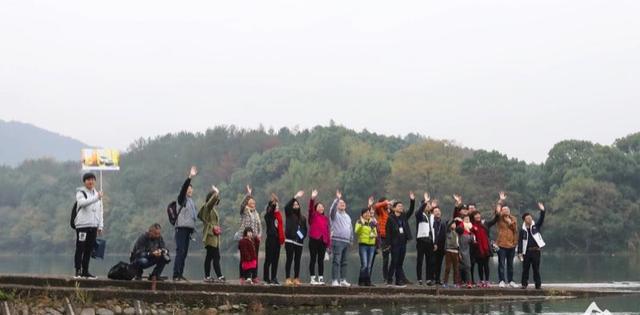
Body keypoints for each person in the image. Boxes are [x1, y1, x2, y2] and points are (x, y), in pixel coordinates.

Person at [73, 172, 104, 279]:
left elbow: (100, 210)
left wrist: (100, 225)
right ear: (84, 182)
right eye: (88, 180)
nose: (90, 181)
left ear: (95, 181)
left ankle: (85, 271)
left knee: (89, 249)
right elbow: (82, 203)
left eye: (92, 179)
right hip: (82, 225)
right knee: (80, 248)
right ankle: (78, 270)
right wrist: (96, 197)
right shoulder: (80, 193)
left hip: (93, 225)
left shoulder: (97, 194)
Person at [487, 191, 519, 288]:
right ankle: (501, 280)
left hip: (512, 245)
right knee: (501, 264)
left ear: (509, 211)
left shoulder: (513, 218)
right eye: (503, 209)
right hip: (501, 244)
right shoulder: (500, 218)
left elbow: (515, 230)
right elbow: (497, 211)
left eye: (507, 210)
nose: (505, 211)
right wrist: (501, 200)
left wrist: (510, 222)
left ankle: (511, 281)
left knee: (510, 264)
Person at [172, 166, 198, 282]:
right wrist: (190, 177)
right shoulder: (181, 199)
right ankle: (175, 274)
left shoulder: (191, 202)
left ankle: (180, 273)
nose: (190, 190)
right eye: (188, 189)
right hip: (181, 229)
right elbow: (183, 188)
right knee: (180, 251)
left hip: (188, 230)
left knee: (185, 253)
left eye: (191, 189)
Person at [385, 192, 415, 287]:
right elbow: (388, 232)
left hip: (403, 243)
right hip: (394, 243)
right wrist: (388, 244)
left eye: (402, 206)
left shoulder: (404, 216)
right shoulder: (390, 218)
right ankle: (389, 280)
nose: (401, 207)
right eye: (399, 206)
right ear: (394, 208)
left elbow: (411, 210)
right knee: (394, 261)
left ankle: (398, 281)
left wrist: (412, 200)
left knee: (400, 262)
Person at [197, 185, 225, 283]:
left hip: (214, 235)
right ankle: (219, 275)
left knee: (209, 256)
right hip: (210, 235)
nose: (217, 200)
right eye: (215, 198)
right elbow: (211, 203)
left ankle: (207, 276)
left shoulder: (212, 209)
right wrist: (216, 192)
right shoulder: (207, 207)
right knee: (216, 256)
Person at [236, 185, 262, 283]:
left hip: (254, 238)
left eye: (254, 203)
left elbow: (260, 225)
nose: (253, 204)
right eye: (251, 203)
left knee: (254, 257)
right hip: (244, 238)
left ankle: (254, 276)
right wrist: (248, 194)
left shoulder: (256, 213)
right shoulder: (244, 212)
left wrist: (259, 234)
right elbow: (242, 205)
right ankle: (242, 276)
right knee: (244, 257)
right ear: (248, 203)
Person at [518, 202, 546, 290]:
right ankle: (524, 284)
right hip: (526, 251)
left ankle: (538, 285)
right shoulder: (522, 230)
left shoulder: (535, 226)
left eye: (530, 218)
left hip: (536, 251)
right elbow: (520, 241)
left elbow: (541, 219)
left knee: (536, 269)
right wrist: (519, 252)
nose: (529, 219)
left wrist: (542, 210)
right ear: (524, 220)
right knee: (525, 269)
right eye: (527, 218)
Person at [330, 190, 353, 287]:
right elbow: (331, 210)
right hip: (337, 240)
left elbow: (350, 228)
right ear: (337, 205)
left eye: (344, 203)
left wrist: (351, 239)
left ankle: (343, 279)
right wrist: (337, 199)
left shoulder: (348, 216)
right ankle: (335, 280)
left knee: (345, 262)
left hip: (346, 241)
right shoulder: (335, 215)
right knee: (336, 261)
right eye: (340, 203)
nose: (342, 204)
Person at [284, 190, 307, 286]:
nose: (296, 206)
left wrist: (301, 237)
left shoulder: (303, 218)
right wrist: (295, 197)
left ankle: (296, 278)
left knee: (297, 260)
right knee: (289, 259)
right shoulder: (289, 214)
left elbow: (305, 230)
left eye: (297, 205)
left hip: (299, 242)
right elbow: (286, 207)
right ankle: (288, 278)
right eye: (294, 205)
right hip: (289, 240)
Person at [308, 189, 331, 285]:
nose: (321, 208)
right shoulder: (313, 215)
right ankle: (313, 278)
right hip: (314, 239)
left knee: (320, 260)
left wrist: (328, 246)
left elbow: (327, 232)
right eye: (319, 207)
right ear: (316, 208)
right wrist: (312, 198)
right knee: (313, 259)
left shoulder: (326, 219)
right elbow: (310, 209)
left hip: (323, 241)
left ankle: (321, 278)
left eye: (322, 207)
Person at [415, 192, 437, 286]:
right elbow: (419, 211)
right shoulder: (420, 215)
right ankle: (419, 279)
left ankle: (429, 279)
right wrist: (425, 202)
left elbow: (432, 230)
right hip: (421, 240)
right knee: (420, 260)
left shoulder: (430, 216)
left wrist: (434, 242)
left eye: (428, 205)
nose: (428, 206)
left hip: (429, 241)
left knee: (430, 261)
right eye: (427, 204)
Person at [263, 193, 285, 285]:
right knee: (269, 259)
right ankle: (266, 278)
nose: (277, 207)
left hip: (277, 240)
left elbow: (280, 228)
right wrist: (274, 201)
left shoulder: (279, 216)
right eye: (275, 206)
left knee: (275, 259)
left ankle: (274, 277)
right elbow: (271, 209)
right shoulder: (268, 216)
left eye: (277, 205)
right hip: (270, 239)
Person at [354, 208, 377, 286]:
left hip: (372, 245)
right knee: (364, 265)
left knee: (369, 265)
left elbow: (375, 233)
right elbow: (356, 231)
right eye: (366, 213)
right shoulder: (359, 221)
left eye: (368, 213)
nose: (367, 214)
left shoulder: (372, 222)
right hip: (363, 245)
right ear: (362, 214)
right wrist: (362, 224)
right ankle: (361, 281)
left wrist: (373, 234)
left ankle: (368, 281)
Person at [470, 209, 492, 288]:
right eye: (476, 215)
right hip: (477, 249)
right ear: (473, 217)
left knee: (486, 265)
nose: (478, 216)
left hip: (486, 248)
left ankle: (487, 281)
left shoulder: (484, 224)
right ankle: (481, 280)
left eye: (478, 215)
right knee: (480, 265)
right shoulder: (472, 226)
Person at [373, 197, 392, 283]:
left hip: (392, 238)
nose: (387, 204)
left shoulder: (390, 212)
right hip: (384, 238)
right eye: (385, 203)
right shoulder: (381, 211)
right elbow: (376, 206)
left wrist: (390, 206)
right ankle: (386, 278)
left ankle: (394, 277)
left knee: (396, 258)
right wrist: (385, 202)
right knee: (386, 259)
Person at [431, 204, 447, 286]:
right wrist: (434, 243)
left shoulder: (443, 222)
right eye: (435, 211)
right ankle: (432, 279)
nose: (437, 213)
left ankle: (438, 279)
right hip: (434, 245)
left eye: (438, 211)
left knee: (439, 264)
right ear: (432, 213)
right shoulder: (431, 222)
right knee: (433, 262)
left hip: (442, 246)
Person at [458, 214, 475, 289]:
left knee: (468, 267)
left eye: (468, 219)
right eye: (465, 219)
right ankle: (459, 282)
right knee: (460, 267)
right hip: (459, 250)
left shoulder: (471, 229)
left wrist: (470, 233)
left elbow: (473, 241)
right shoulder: (460, 228)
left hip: (468, 251)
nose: (467, 220)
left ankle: (469, 283)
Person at [442, 221, 460, 288]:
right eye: (453, 224)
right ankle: (445, 282)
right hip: (449, 251)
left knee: (456, 268)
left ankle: (456, 283)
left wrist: (459, 252)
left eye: (455, 224)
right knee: (448, 268)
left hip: (456, 251)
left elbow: (458, 244)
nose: (454, 225)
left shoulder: (457, 233)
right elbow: (447, 226)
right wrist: (451, 222)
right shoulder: (448, 232)